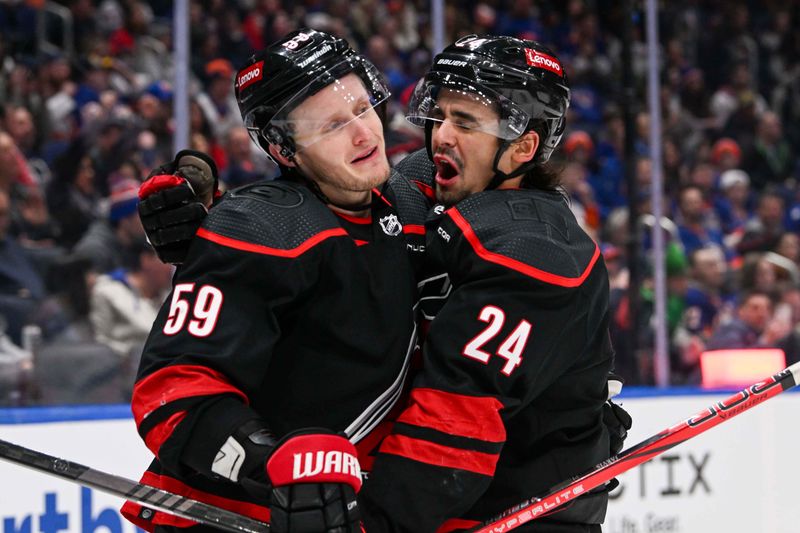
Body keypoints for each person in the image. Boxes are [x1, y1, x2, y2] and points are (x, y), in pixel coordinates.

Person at [120, 29, 428, 533]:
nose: (364, 134)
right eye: (331, 126)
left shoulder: (411, 202)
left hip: (352, 512)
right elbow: (170, 392)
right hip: (226, 516)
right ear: (284, 150)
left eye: (362, 107)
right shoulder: (260, 228)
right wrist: (268, 462)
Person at [359, 35, 621, 532]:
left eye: (466, 122)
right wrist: (212, 232)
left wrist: (370, 525)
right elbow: (328, 244)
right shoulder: (424, 181)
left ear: (522, 147)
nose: (441, 135)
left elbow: (453, 426)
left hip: (523, 516)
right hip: (441, 507)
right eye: (441, 115)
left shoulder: (540, 255)